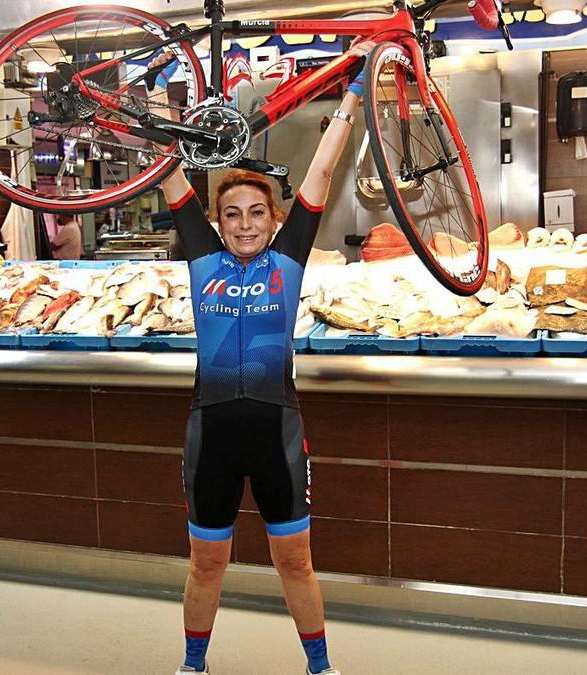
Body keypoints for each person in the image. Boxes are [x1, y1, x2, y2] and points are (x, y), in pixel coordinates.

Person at [155, 41, 371, 675]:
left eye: (256, 213)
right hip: (211, 433)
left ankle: (320, 667)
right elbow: (167, 171)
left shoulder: (287, 259)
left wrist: (352, 95)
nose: (245, 224)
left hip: (277, 432)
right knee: (207, 563)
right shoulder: (201, 258)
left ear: (275, 220)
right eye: (232, 215)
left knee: (296, 562)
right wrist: (153, 114)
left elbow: (321, 176)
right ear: (215, 222)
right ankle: (193, 665)